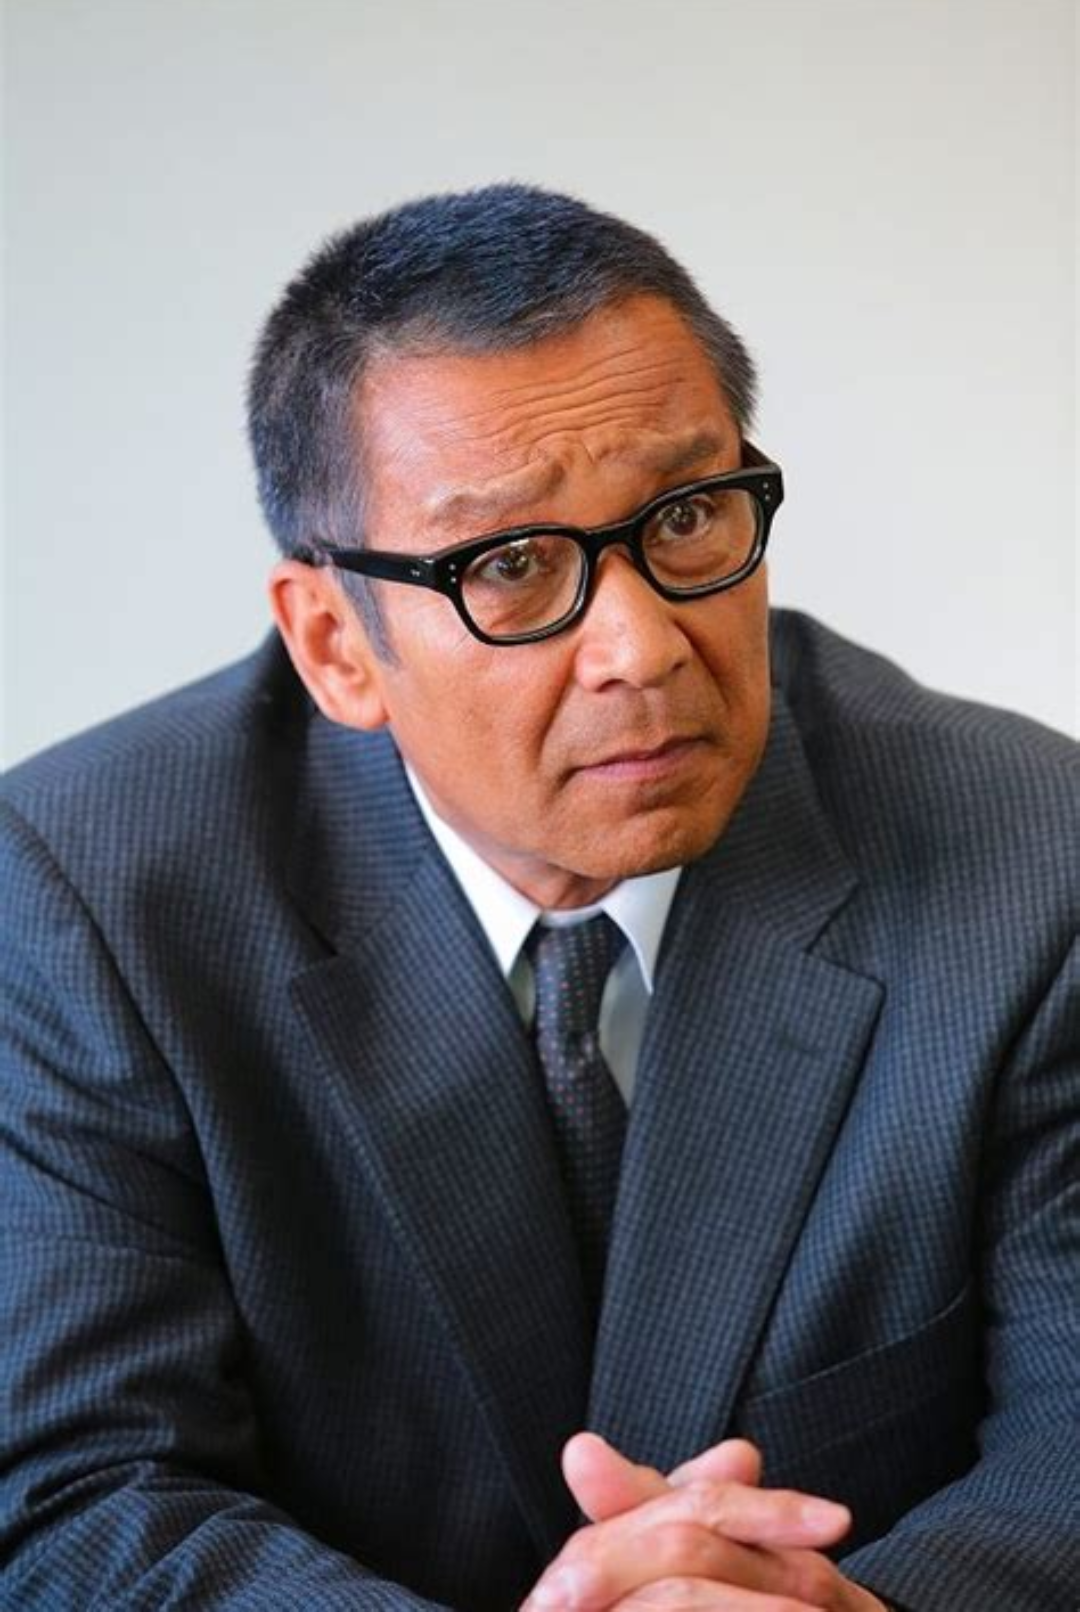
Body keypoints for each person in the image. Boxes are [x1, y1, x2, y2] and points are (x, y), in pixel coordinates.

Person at [0, 184, 1075, 1612]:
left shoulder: (1031, 854)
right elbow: (76, 1493)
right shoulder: (88, 896)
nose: (642, 646)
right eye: (507, 566)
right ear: (336, 648)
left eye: (686, 516)